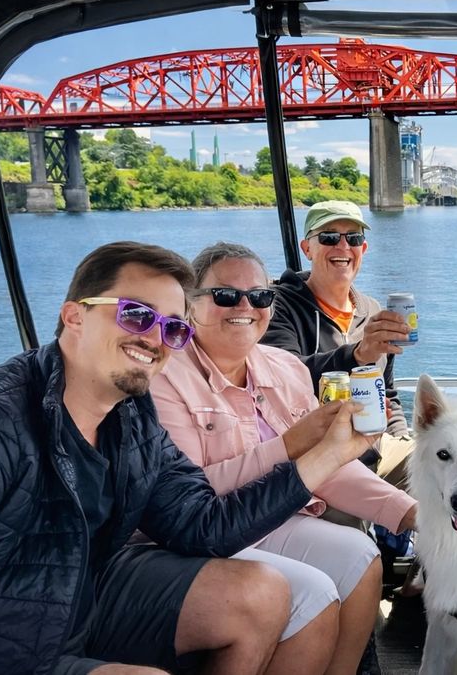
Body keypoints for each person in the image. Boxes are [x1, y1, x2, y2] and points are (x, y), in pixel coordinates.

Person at [0, 241, 376, 675]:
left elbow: (203, 525)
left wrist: (330, 455)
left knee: (264, 591)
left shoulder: (132, 416)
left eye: (172, 328)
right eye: (136, 315)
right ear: (75, 316)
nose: (155, 339)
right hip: (15, 619)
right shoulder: (0, 423)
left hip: (89, 585)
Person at [150, 242, 419, 675]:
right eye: (225, 295)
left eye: (260, 296)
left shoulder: (285, 368)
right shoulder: (165, 375)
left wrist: (408, 513)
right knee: (312, 592)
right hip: (204, 532)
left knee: (359, 554)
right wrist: (288, 445)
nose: (245, 306)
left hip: (278, 518)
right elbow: (188, 497)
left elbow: (328, 466)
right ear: (190, 303)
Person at [261, 200, 412, 487]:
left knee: (445, 471)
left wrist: (401, 435)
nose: (343, 247)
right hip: (315, 458)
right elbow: (283, 376)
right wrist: (357, 355)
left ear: (363, 250)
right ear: (307, 249)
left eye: (353, 238)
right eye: (329, 237)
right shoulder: (276, 306)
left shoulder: (372, 310)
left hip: (376, 450)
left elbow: (388, 394)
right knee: (353, 523)